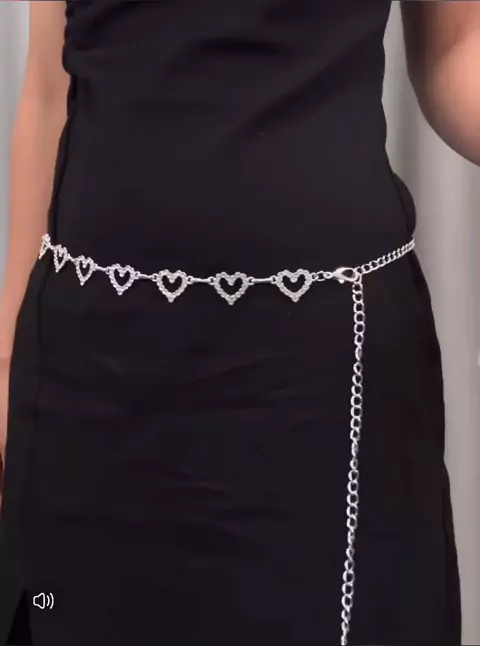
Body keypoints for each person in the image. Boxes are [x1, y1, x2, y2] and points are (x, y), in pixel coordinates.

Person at [0, 1, 478, 644]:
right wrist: (7, 359)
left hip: (321, 386)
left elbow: (455, 51)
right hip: (82, 379)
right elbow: (49, 87)